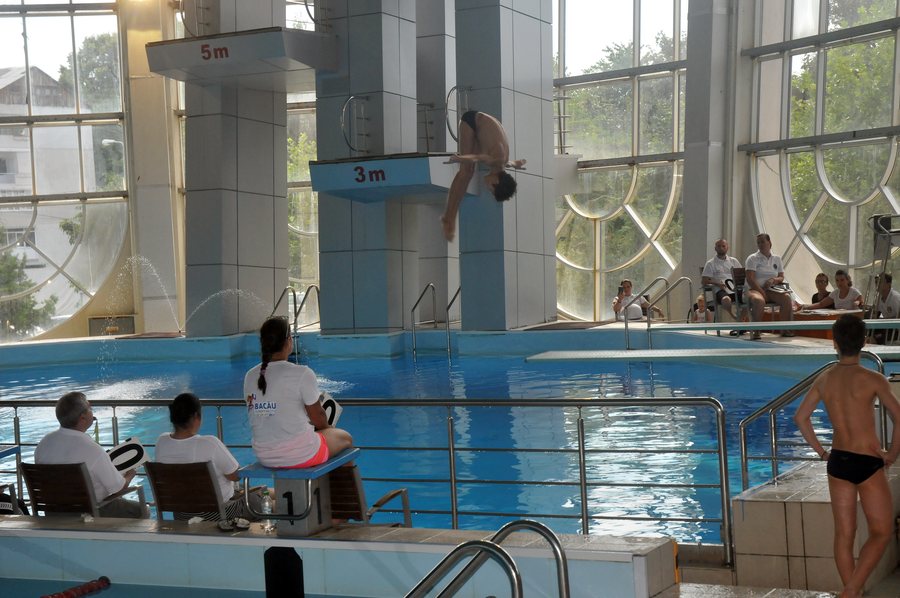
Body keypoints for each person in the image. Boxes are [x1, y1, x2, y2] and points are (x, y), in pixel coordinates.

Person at [794, 315, 900, 598]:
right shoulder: (873, 379)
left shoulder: (825, 379)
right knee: (881, 532)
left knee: (844, 535)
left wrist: (822, 452)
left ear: (835, 343)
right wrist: (892, 453)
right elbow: (899, 417)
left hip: (838, 460)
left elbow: (801, 417)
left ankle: (852, 592)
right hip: (868, 460)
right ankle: (852, 590)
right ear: (864, 342)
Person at [244, 317, 353, 468]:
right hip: (301, 454)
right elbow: (318, 416)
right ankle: (339, 484)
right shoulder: (302, 373)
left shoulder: (250, 376)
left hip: (265, 456)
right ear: (289, 340)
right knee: (345, 439)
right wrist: (328, 430)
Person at [34, 391, 147, 518]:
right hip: (89, 513)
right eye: (90, 408)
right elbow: (118, 488)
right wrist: (130, 474)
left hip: (53, 513)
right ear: (82, 417)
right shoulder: (92, 449)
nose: (92, 412)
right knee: (142, 510)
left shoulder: (44, 443)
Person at [155, 392, 261, 520]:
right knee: (265, 499)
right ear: (196, 416)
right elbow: (235, 476)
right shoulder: (210, 443)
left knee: (258, 493)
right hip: (219, 513)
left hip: (181, 514)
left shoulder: (161, 441)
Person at [441, 111, 527, 241]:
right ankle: (449, 218)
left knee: (469, 171)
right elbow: (477, 157)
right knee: (466, 171)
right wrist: (459, 158)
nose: (488, 188)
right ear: (496, 182)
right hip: (471, 121)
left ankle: (450, 217)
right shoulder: (495, 159)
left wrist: (517, 164)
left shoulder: (502, 163)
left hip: (480, 125)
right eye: (491, 190)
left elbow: (511, 163)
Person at [745, 233, 793, 339]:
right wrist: (762, 292)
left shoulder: (777, 259)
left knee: (786, 298)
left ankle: (784, 329)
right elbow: (750, 279)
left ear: (769, 243)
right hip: (754, 289)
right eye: (758, 242)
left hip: (771, 289)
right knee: (759, 301)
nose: (760, 244)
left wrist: (774, 280)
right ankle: (756, 331)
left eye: (763, 242)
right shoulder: (752, 258)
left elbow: (781, 277)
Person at [701, 238, 742, 318]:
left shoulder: (734, 261)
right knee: (726, 300)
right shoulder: (710, 263)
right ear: (715, 248)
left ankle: (742, 317)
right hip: (721, 290)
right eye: (719, 246)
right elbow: (704, 280)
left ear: (727, 247)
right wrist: (717, 283)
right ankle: (734, 316)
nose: (721, 248)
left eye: (723, 246)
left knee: (750, 297)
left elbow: (742, 275)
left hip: (735, 288)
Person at [872, 273, 900, 344]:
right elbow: (876, 315)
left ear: (889, 284)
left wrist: (885, 320)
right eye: (876, 282)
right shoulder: (878, 298)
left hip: (896, 328)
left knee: (878, 337)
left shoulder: (895, 297)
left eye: (880, 282)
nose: (877, 284)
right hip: (887, 326)